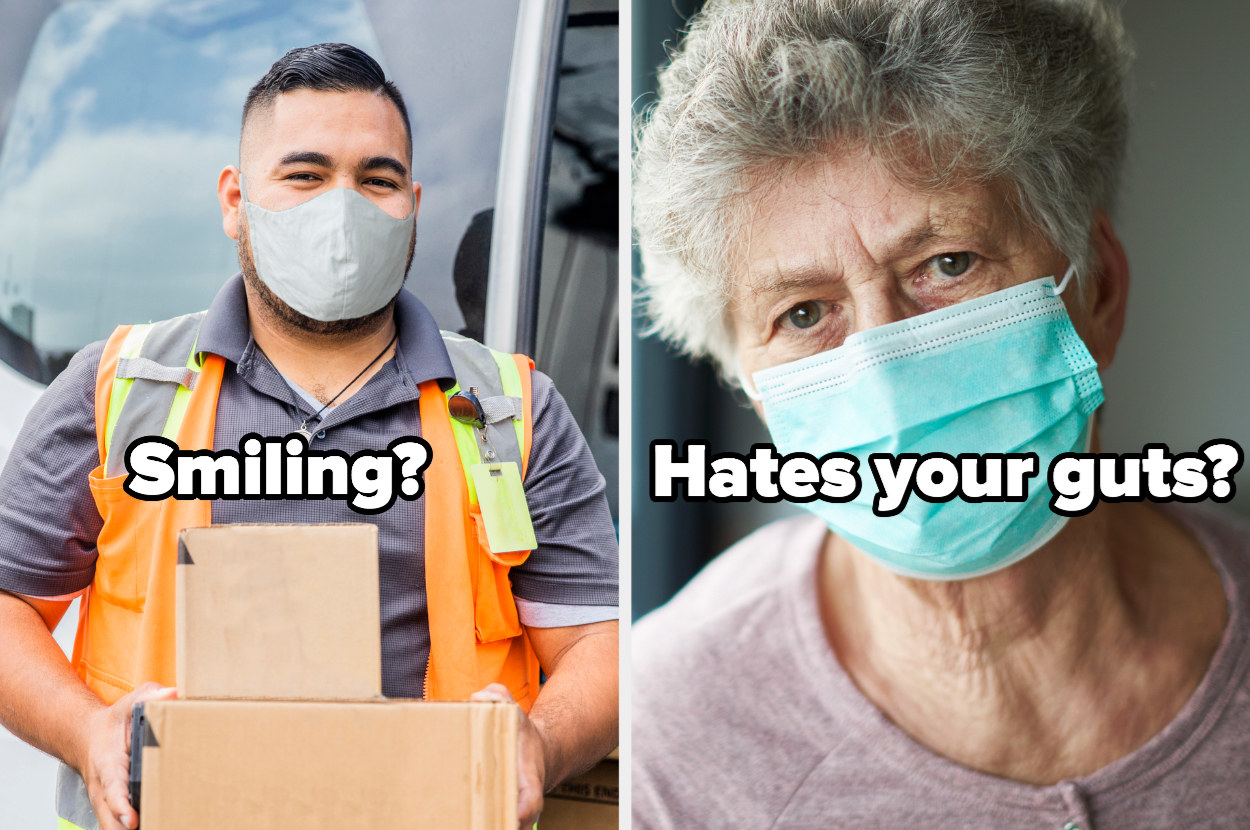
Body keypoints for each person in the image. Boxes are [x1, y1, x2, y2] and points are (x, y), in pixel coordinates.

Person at [632, 0, 1250, 826]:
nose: (886, 367)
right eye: (805, 314)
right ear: (756, 393)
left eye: (947, 264)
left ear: (1098, 287)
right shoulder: (671, 737)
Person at [0, 43, 618, 830]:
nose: (344, 207)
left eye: (377, 179)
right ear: (234, 201)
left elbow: (596, 640)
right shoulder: (119, 391)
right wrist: (87, 731)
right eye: (306, 174)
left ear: (413, 204)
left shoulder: (511, 409)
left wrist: (543, 743)